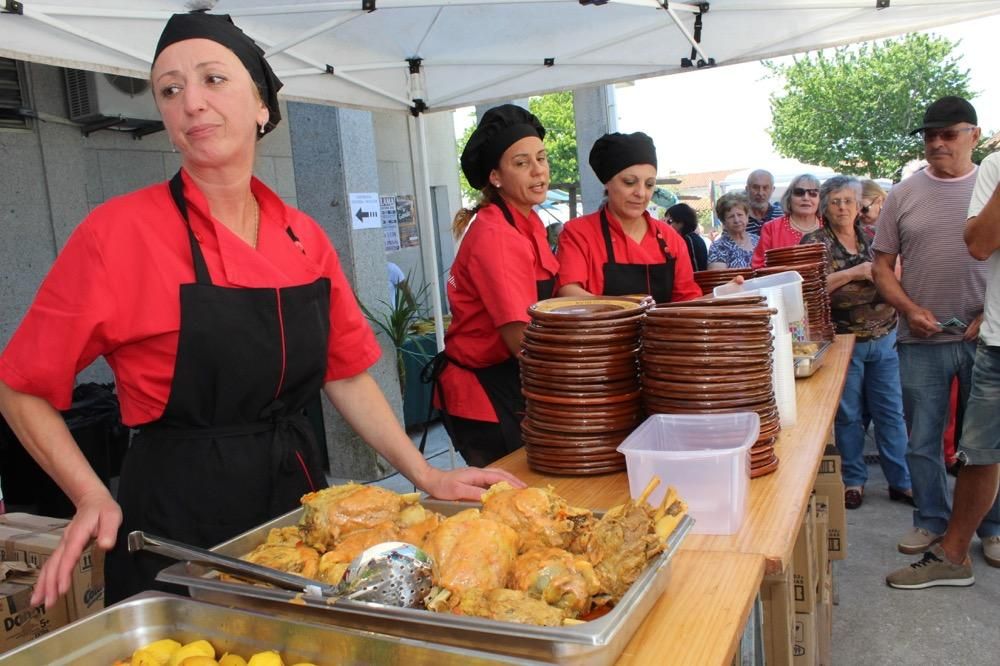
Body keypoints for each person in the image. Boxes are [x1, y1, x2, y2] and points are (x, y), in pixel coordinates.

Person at [0, 10, 520, 609]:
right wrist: (90, 494)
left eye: (213, 80)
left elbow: (345, 372)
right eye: (170, 90)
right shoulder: (116, 233)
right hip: (177, 517)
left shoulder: (304, 237)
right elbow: (20, 387)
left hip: (298, 506)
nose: (191, 101)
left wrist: (426, 475)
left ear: (262, 107)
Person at [871, 96, 1000, 559]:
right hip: (920, 339)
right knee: (922, 438)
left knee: (984, 444)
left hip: (985, 338)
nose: (937, 143)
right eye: (929, 136)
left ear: (975, 135)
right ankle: (930, 521)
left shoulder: (993, 184)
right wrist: (909, 309)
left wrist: (990, 315)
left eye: (948, 134)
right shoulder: (904, 194)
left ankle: (992, 527)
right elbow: (881, 266)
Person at [428, 104, 558, 467]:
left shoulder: (528, 222)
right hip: (485, 394)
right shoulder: (496, 235)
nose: (538, 171)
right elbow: (521, 339)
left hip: (514, 383)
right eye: (521, 162)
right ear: (496, 177)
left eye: (541, 158)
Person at [801, 176, 911, 510]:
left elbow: (897, 274)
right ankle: (853, 480)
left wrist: (880, 274)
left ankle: (901, 481)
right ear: (825, 206)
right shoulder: (815, 242)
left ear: (859, 203)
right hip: (842, 341)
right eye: (835, 201)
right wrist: (854, 273)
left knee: (891, 412)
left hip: (884, 335)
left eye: (849, 200)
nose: (843, 207)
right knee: (848, 416)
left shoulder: (876, 238)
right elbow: (810, 287)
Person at [555, 132, 701, 303]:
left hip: (663, 331)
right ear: (607, 182)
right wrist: (626, 307)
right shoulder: (579, 233)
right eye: (629, 182)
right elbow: (568, 292)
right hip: (601, 330)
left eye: (649, 184)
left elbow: (688, 300)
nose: (641, 193)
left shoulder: (670, 239)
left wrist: (726, 294)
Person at [750, 173, 822, 268]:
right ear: (789, 198)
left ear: (820, 199)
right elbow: (758, 267)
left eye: (813, 193)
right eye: (799, 192)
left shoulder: (831, 226)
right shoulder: (771, 228)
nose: (806, 198)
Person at [707, 192, 759, 269]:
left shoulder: (758, 240)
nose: (737, 220)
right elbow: (719, 277)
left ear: (747, 216)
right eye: (731, 216)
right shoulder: (718, 247)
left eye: (740, 215)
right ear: (723, 221)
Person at [666, 203, 708, 272]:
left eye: (669, 221)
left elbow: (695, 270)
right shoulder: (691, 238)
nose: (666, 225)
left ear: (681, 222)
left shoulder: (689, 240)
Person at [745, 169, 784, 236]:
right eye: (756, 187)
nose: (760, 193)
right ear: (747, 189)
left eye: (765, 188)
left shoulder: (782, 216)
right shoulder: (737, 218)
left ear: (773, 190)